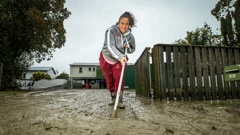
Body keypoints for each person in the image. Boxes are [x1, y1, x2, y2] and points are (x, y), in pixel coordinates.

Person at [99, 11, 136, 109]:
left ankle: (119, 100)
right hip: (106, 58)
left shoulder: (130, 37)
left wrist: (129, 47)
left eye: (127, 24)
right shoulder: (110, 31)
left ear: (129, 25)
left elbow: (133, 49)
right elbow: (110, 46)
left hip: (119, 61)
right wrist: (120, 56)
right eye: (122, 23)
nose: (124, 26)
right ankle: (113, 96)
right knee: (109, 80)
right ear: (118, 23)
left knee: (119, 78)